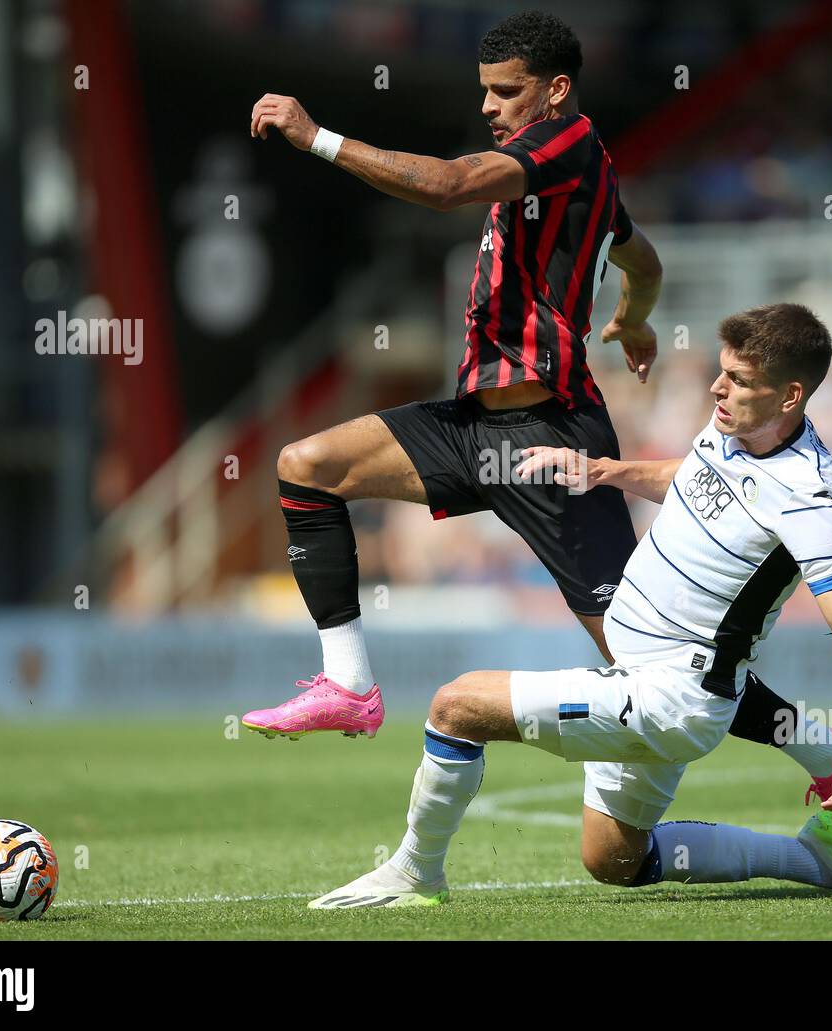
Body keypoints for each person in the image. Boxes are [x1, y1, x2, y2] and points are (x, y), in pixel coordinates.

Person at [309, 304, 832, 908]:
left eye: (739, 381)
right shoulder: (734, 429)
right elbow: (695, 475)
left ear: (791, 397)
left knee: (456, 706)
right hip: (646, 676)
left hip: (673, 696)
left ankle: (416, 872)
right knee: (615, 860)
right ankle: (815, 861)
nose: (717, 388)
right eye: (721, 371)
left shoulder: (810, 496)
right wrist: (604, 471)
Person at [242, 11, 660, 738]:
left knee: (651, 664)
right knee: (307, 466)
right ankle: (349, 686)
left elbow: (445, 185)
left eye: (505, 91)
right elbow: (641, 256)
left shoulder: (566, 141)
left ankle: (825, 750)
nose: (488, 107)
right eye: (485, 91)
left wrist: (317, 138)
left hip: (548, 438)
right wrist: (637, 316)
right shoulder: (575, 176)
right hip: (475, 427)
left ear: (556, 91)